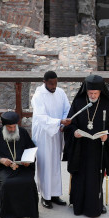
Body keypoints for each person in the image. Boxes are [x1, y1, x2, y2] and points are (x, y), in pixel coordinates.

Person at [64, 74, 109, 217]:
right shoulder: (78, 102)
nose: (93, 95)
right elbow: (69, 123)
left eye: (96, 93)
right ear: (86, 91)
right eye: (90, 93)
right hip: (80, 147)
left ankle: (95, 205)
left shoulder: (107, 104)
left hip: (98, 149)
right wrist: (74, 132)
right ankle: (78, 204)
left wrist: (107, 136)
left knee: (95, 177)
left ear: (100, 91)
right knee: (80, 175)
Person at [0, 111, 38, 218]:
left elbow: (31, 149)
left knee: (28, 181)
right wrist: (1, 160)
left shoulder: (22, 132)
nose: (13, 130)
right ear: (4, 126)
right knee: (8, 183)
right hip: (3, 167)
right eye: (9, 127)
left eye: (14, 127)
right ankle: (7, 213)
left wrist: (29, 161)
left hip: (22, 166)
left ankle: (30, 211)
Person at [31, 70, 71, 209]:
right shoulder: (38, 96)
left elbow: (67, 109)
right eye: (51, 84)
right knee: (45, 164)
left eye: (55, 83)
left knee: (55, 163)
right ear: (44, 82)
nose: (54, 86)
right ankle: (45, 196)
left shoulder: (60, 93)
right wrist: (59, 121)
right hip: (44, 134)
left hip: (57, 132)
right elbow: (41, 117)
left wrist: (63, 124)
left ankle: (54, 194)